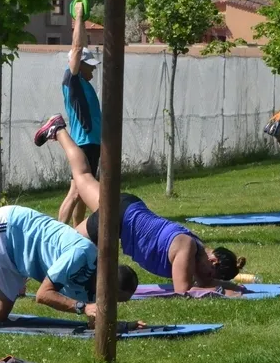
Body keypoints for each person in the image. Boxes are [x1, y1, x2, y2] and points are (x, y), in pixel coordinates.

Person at [35, 115, 247, 294]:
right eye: (209, 275)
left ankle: (58, 129)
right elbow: (183, 291)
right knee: (64, 245)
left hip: (130, 207)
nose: (203, 279)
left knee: (82, 176)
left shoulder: (196, 246)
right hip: (118, 218)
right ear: (213, 261)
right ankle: (26, 267)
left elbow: (201, 285)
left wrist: (228, 286)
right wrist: (224, 290)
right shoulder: (187, 248)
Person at [0, 205, 138, 323]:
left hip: (19, 260)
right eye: (118, 299)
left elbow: (93, 322)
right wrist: (81, 307)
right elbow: (43, 295)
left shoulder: (95, 288)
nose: (115, 304)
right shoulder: (83, 254)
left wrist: (125, 326)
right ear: (108, 285)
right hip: (6, 230)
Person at [58, 0, 103, 227]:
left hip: (91, 143)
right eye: (90, 65)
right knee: (76, 191)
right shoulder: (72, 79)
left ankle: (77, 232)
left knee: (84, 191)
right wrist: (79, 16)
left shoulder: (83, 82)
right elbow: (76, 48)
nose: (93, 68)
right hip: (83, 143)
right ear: (79, 65)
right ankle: (58, 234)